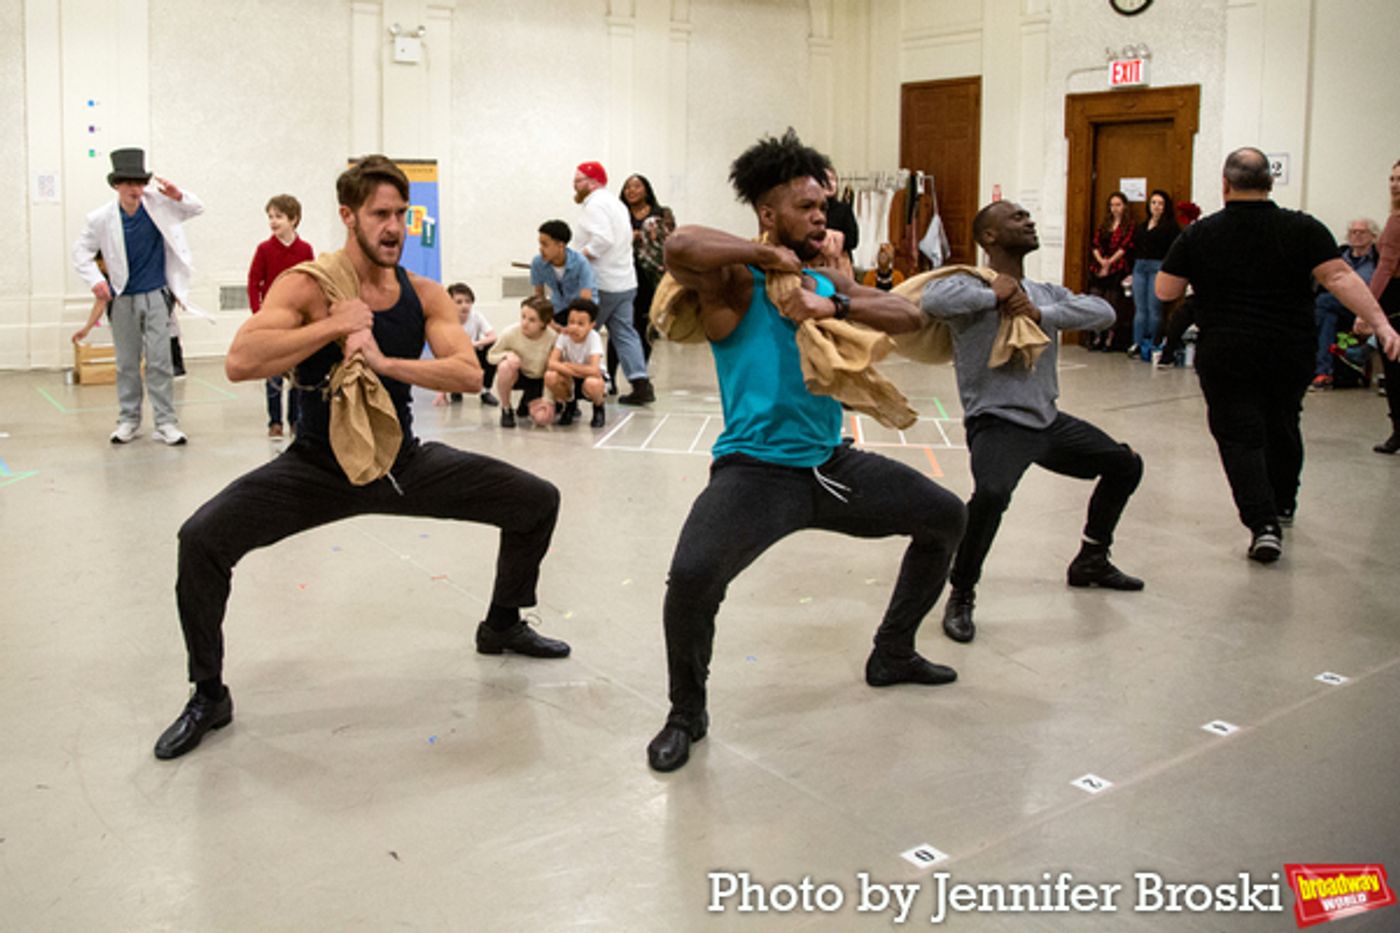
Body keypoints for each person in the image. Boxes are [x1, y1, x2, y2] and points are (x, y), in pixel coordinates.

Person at [152, 156, 570, 761]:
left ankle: (502, 623)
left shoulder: (422, 293)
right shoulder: (310, 285)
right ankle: (209, 693)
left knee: (536, 500)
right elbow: (242, 360)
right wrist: (331, 328)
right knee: (201, 540)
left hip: (401, 464)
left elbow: (465, 369)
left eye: (402, 214)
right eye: (380, 214)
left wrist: (386, 363)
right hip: (317, 467)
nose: (394, 227)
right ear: (349, 217)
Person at [645, 129, 967, 773]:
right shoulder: (734, 282)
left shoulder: (824, 281)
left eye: (824, 204)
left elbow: (907, 318)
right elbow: (679, 244)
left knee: (946, 517)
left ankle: (893, 652)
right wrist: (771, 260)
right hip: (755, 472)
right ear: (769, 214)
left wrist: (835, 296)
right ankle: (687, 712)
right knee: (691, 580)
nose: (821, 214)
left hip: (829, 465)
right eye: (805, 205)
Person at [1156, 148, 1400, 561]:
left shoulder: (1201, 234)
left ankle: (1263, 524)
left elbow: (1166, 290)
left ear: (1224, 184)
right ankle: (1284, 503)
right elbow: (1340, 277)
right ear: (1270, 183)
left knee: (1238, 435)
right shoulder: (1302, 228)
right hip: (1288, 350)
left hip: (1227, 351)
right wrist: (1380, 323)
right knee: (1283, 421)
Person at [924, 201, 1145, 644]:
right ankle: (961, 593)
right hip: (997, 424)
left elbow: (1103, 313)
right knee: (991, 493)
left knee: (1125, 464)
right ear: (989, 237)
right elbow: (934, 299)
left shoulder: (1045, 293)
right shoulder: (970, 286)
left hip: (1047, 422)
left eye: (1028, 215)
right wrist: (995, 295)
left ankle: (1092, 559)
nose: (1028, 221)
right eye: (1017, 217)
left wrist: (1041, 314)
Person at [72, 147, 202, 445]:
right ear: (117, 185)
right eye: (128, 183)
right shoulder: (101, 218)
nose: (135, 189)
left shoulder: (160, 205)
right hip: (122, 299)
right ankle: (128, 420)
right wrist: (95, 281)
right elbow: (80, 252)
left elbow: (196, 208)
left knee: (160, 361)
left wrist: (177, 194)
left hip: (156, 295)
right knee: (127, 363)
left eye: (139, 183)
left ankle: (166, 422)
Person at [573, 161, 654, 404]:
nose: (574, 185)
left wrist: (577, 256)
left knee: (584, 333)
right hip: (625, 282)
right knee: (625, 334)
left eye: (578, 181)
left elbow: (603, 240)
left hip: (602, 282)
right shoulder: (616, 204)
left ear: (592, 182)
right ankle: (641, 384)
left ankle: (582, 386)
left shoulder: (595, 206)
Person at [247, 194, 315, 436]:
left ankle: (295, 419)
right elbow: (254, 281)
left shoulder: (305, 249)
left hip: (298, 319)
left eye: (279, 217)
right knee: (273, 372)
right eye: (270, 217)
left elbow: (311, 282)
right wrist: (258, 313)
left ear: (294, 219)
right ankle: (274, 422)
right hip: (273, 319)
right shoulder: (264, 249)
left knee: (297, 372)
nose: (273, 222)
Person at [615, 174, 675, 389]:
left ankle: (639, 375)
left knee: (645, 326)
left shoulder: (661, 214)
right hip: (624, 274)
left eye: (636, 186)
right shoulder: (619, 213)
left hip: (651, 276)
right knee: (620, 325)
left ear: (646, 190)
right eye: (627, 187)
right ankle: (612, 379)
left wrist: (644, 235)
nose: (631, 190)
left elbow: (670, 239)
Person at [1311, 219, 1379, 389]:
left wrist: (1364, 313)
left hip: (1365, 308)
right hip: (1338, 306)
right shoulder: (1339, 255)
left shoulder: (1377, 261)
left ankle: (1320, 369)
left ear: (1373, 236)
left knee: (1323, 303)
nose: (1356, 236)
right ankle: (1323, 372)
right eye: (1353, 232)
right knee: (1328, 317)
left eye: (1362, 232)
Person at [1363, 159, 1400, 453]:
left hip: (1395, 295)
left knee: (1395, 366)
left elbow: (1385, 268)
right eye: (1392, 179)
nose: (1395, 184)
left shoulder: (1396, 222)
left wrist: (1367, 308)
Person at [488, 296, 559, 429]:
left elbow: (552, 369)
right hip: (520, 376)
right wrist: (507, 355)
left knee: (542, 419)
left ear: (543, 323)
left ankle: (528, 403)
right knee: (504, 367)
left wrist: (547, 400)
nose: (525, 323)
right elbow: (491, 356)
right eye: (523, 317)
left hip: (540, 379)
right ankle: (506, 408)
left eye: (532, 320)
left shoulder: (552, 337)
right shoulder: (510, 333)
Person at [1130, 189, 1180, 362]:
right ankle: (1137, 342)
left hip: (1157, 266)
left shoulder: (1170, 227)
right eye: (1153, 203)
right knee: (1140, 308)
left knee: (1154, 308)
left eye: (1160, 203)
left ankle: (1152, 342)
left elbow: (1173, 250)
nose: (1156, 207)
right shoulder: (1143, 226)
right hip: (1140, 266)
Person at [433, 282, 499, 407]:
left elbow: (493, 336)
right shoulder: (445, 321)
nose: (464, 306)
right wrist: (441, 393)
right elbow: (440, 356)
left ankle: (485, 391)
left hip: (472, 354)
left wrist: (474, 344)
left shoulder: (476, 317)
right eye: (459, 302)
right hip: (455, 358)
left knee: (492, 349)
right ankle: (455, 388)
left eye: (468, 301)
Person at [544, 298, 607, 428]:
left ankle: (598, 407)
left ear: (591, 325)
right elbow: (551, 363)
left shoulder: (593, 337)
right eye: (571, 322)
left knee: (593, 383)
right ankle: (570, 405)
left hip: (588, 378)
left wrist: (568, 366)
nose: (574, 327)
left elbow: (594, 370)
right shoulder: (564, 336)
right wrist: (572, 370)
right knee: (550, 376)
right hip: (571, 378)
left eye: (580, 324)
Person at [1085, 191, 1135, 352]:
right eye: (1112, 205)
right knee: (1096, 301)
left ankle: (1109, 339)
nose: (1115, 208)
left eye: (1118, 205)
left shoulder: (1128, 226)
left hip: (1117, 267)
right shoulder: (1105, 224)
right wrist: (1101, 261)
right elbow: (1096, 244)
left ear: (1124, 206)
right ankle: (1096, 336)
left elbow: (1125, 246)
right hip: (1099, 265)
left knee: (1112, 303)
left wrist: (1110, 262)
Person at [530, 219, 595, 327]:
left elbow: (586, 299)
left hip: (582, 309)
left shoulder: (580, 262)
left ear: (561, 246)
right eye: (540, 244)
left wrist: (573, 324)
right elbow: (539, 296)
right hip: (558, 308)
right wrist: (547, 320)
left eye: (545, 245)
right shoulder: (537, 263)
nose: (540, 249)